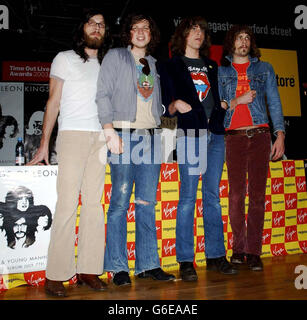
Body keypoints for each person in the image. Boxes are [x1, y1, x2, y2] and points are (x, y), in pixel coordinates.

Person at [28, 9, 111, 296]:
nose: (97, 28)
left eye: (101, 25)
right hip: (72, 136)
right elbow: (52, 103)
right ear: (82, 28)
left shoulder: (107, 64)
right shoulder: (63, 58)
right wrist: (43, 145)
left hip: (100, 137)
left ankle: (89, 269)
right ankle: (56, 274)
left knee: (93, 205)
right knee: (66, 205)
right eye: (92, 23)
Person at [96, 13, 175, 286]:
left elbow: (157, 105)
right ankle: (118, 267)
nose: (141, 32)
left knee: (146, 203)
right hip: (122, 135)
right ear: (128, 33)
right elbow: (102, 94)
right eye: (135, 28)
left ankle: (148, 264)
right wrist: (109, 131)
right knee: (119, 203)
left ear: (151, 34)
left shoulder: (153, 64)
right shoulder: (116, 57)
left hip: (151, 137)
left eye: (146, 28)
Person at [158, 16, 237, 282]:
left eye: (201, 30)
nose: (198, 34)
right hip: (190, 134)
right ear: (183, 35)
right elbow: (165, 102)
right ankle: (185, 260)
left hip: (215, 135)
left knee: (213, 197)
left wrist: (222, 109)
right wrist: (174, 104)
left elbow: (215, 97)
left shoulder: (212, 66)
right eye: (193, 30)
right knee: (188, 197)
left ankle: (216, 256)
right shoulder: (171, 65)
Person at [218, 24, 285, 271]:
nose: (243, 42)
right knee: (235, 196)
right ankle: (238, 249)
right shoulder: (221, 70)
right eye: (239, 38)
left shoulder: (265, 68)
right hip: (233, 137)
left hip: (260, 135)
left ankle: (254, 252)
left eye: (247, 37)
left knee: (257, 196)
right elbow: (219, 105)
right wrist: (237, 101)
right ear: (231, 42)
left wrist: (280, 134)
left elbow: (275, 103)